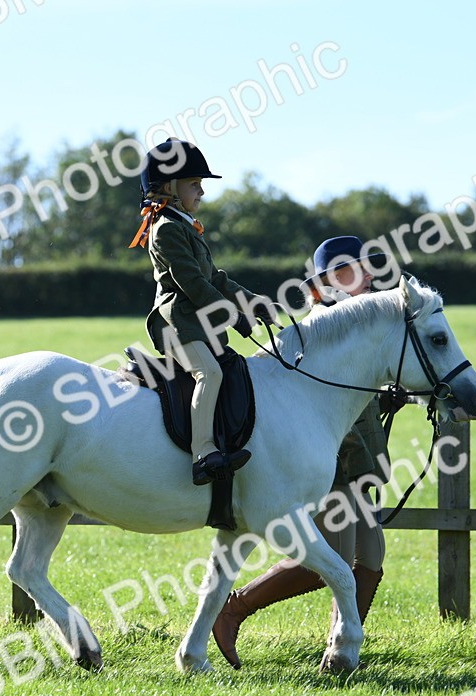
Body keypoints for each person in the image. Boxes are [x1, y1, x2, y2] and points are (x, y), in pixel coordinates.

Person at [211, 235, 391, 668]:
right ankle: (233, 609)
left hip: (358, 457)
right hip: (329, 461)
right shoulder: (316, 330)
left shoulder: (359, 330)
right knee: (326, 560)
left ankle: (343, 646)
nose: (363, 279)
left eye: (365, 270)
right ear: (322, 285)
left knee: (371, 558)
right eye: (349, 272)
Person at [130, 138, 274, 486]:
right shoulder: (165, 229)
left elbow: (216, 279)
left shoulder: (185, 225)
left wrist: (254, 302)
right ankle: (203, 454)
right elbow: (194, 284)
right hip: (177, 323)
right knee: (209, 373)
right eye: (195, 184)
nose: (202, 193)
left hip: (198, 324)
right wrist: (232, 316)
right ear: (169, 187)